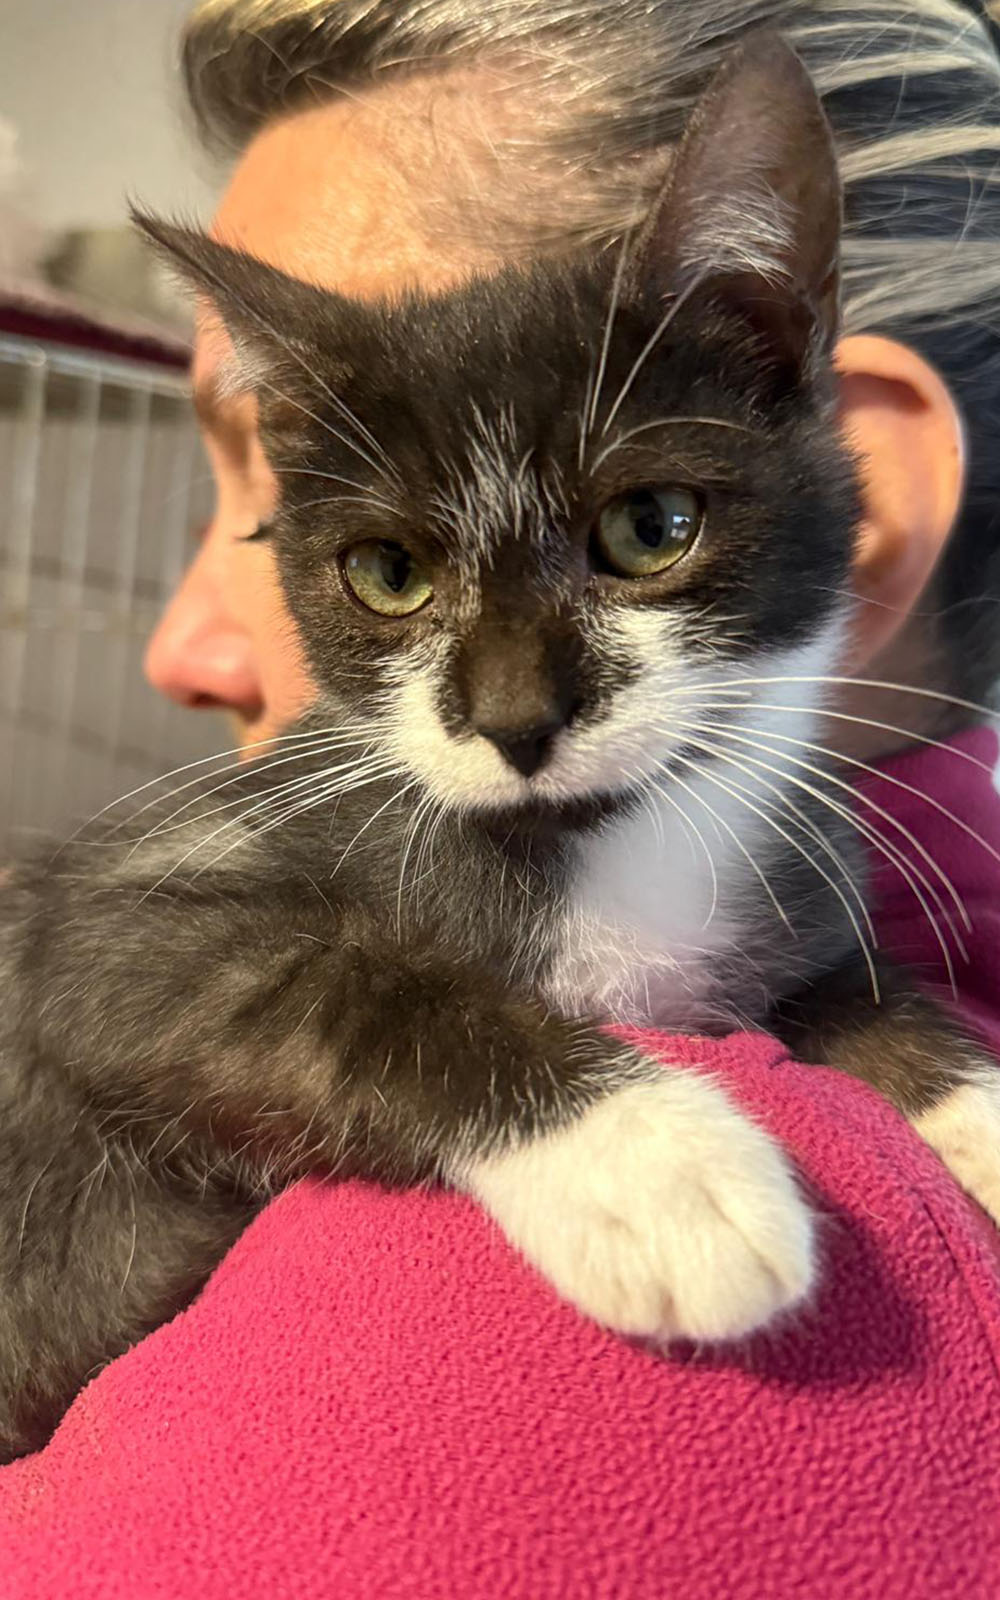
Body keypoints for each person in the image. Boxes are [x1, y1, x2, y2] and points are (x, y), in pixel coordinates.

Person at [3, 3, 1000, 1595]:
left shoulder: (485, 1356)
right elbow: (97, 968)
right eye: (389, 571)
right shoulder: (864, 897)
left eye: (645, 528)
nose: (514, 704)